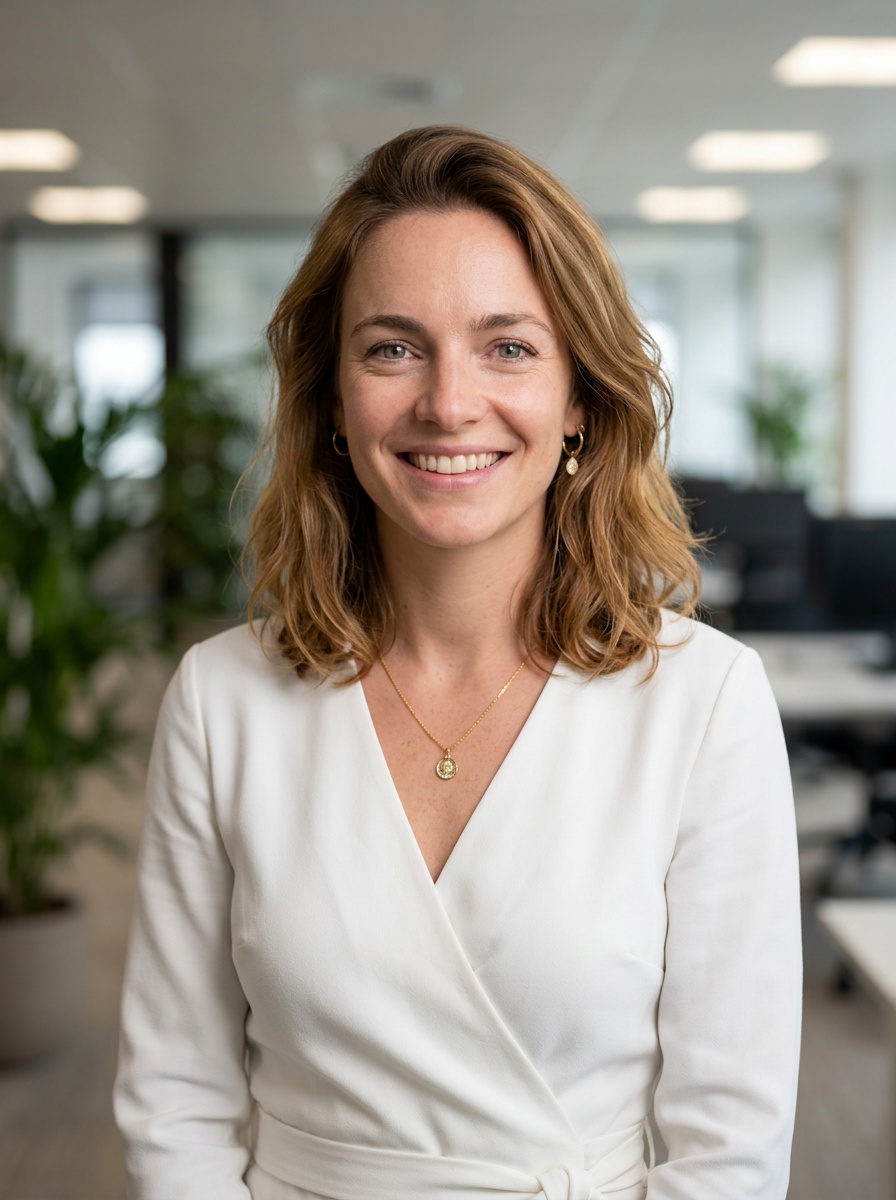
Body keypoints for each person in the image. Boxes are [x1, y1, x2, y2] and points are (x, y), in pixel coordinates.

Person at [113, 125, 801, 1200]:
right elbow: (175, 1099)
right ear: (331, 402)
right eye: (391, 347)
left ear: (578, 397)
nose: (445, 402)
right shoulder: (221, 700)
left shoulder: (703, 701)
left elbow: (728, 1144)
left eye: (508, 347)